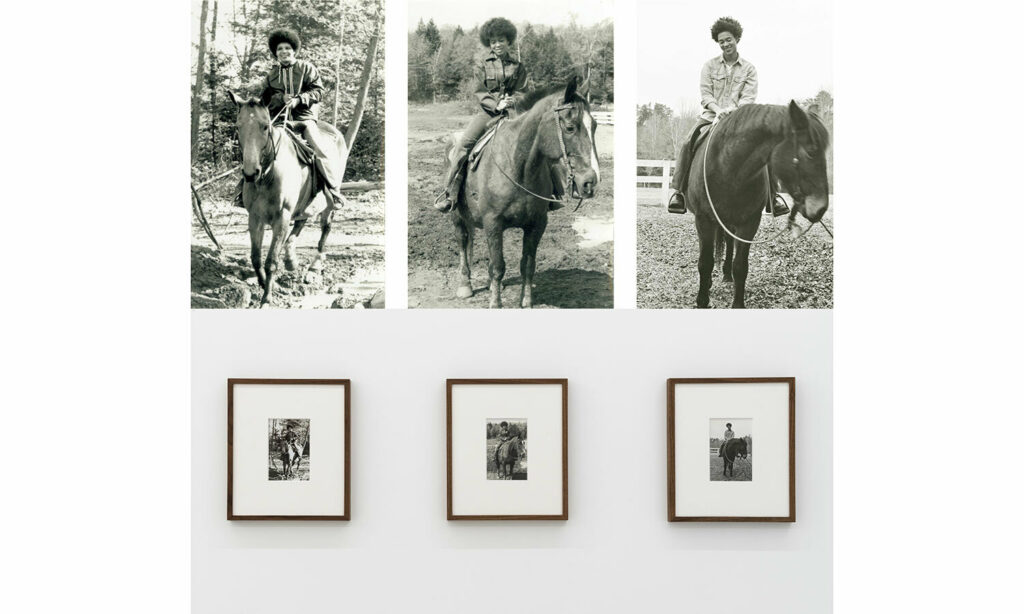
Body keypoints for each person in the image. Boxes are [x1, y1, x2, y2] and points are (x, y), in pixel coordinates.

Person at [667, 17, 789, 217]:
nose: (725, 44)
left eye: (728, 39)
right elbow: (706, 95)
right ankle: (679, 192)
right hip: (710, 116)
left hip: (740, 120)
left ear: (737, 38)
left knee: (764, 147)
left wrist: (731, 113)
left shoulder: (749, 69)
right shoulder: (709, 66)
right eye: (721, 41)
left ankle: (773, 197)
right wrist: (718, 110)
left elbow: (748, 99)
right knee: (687, 142)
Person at [234, 28, 345, 213]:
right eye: (279, 49)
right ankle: (242, 191)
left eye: (287, 48)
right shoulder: (272, 75)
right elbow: (265, 101)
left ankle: (333, 191)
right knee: (261, 147)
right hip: (279, 121)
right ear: (275, 53)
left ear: (294, 50)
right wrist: (280, 99)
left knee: (318, 149)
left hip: (304, 119)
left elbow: (318, 91)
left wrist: (299, 99)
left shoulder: (307, 68)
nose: (283, 52)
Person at [433, 17, 529, 212]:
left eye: (501, 40)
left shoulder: (518, 66)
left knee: (536, 141)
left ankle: (553, 194)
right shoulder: (482, 64)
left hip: (513, 113)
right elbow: (480, 91)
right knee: (463, 145)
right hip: (487, 114)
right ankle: (449, 192)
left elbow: (523, 91)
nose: (497, 44)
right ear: (489, 43)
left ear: (509, 41)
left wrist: (513, 100)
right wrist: (497, 104)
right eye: (493, 41)